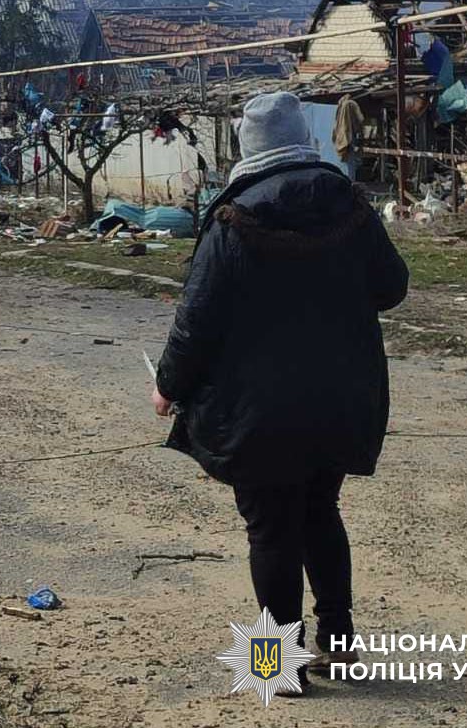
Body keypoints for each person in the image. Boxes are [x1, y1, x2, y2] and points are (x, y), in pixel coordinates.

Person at [151, 92, 409, 695]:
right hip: (341, 398)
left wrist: (168, 387)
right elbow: (392, 287)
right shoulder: (350, 203)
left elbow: (198, 319)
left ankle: (278, 668)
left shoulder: (233, 218)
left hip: (256, 410)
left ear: (248, 147)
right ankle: (339, 649)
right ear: (305, 138)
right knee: (321, 510)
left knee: (270, 528)